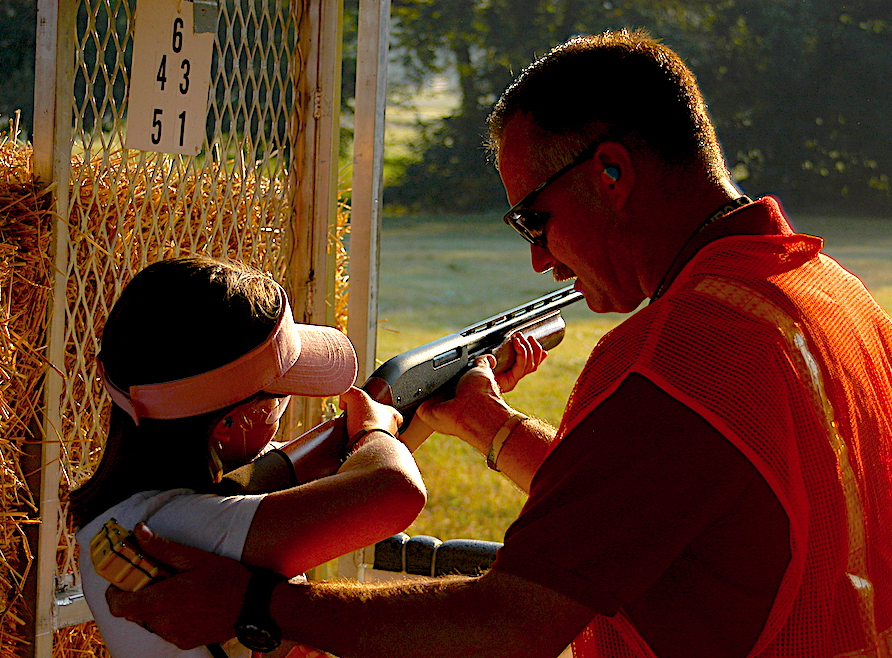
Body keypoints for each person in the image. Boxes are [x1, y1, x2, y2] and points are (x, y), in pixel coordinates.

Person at [105, 29, 892, 657]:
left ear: (610, 172)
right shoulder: (832, 296)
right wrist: (482, 420)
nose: (539, 260)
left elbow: (511, 624)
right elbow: (645, 510)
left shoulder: (671, 360)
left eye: (534, 220)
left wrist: (259, 604)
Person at [71, 256, 427, 658]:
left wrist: (415, 416)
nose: (288, 406)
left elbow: (333, 470)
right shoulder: (181, 528)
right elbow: (396, 491)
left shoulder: (131, 514)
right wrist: (374, 430)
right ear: (228, 424)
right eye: (283, 393)